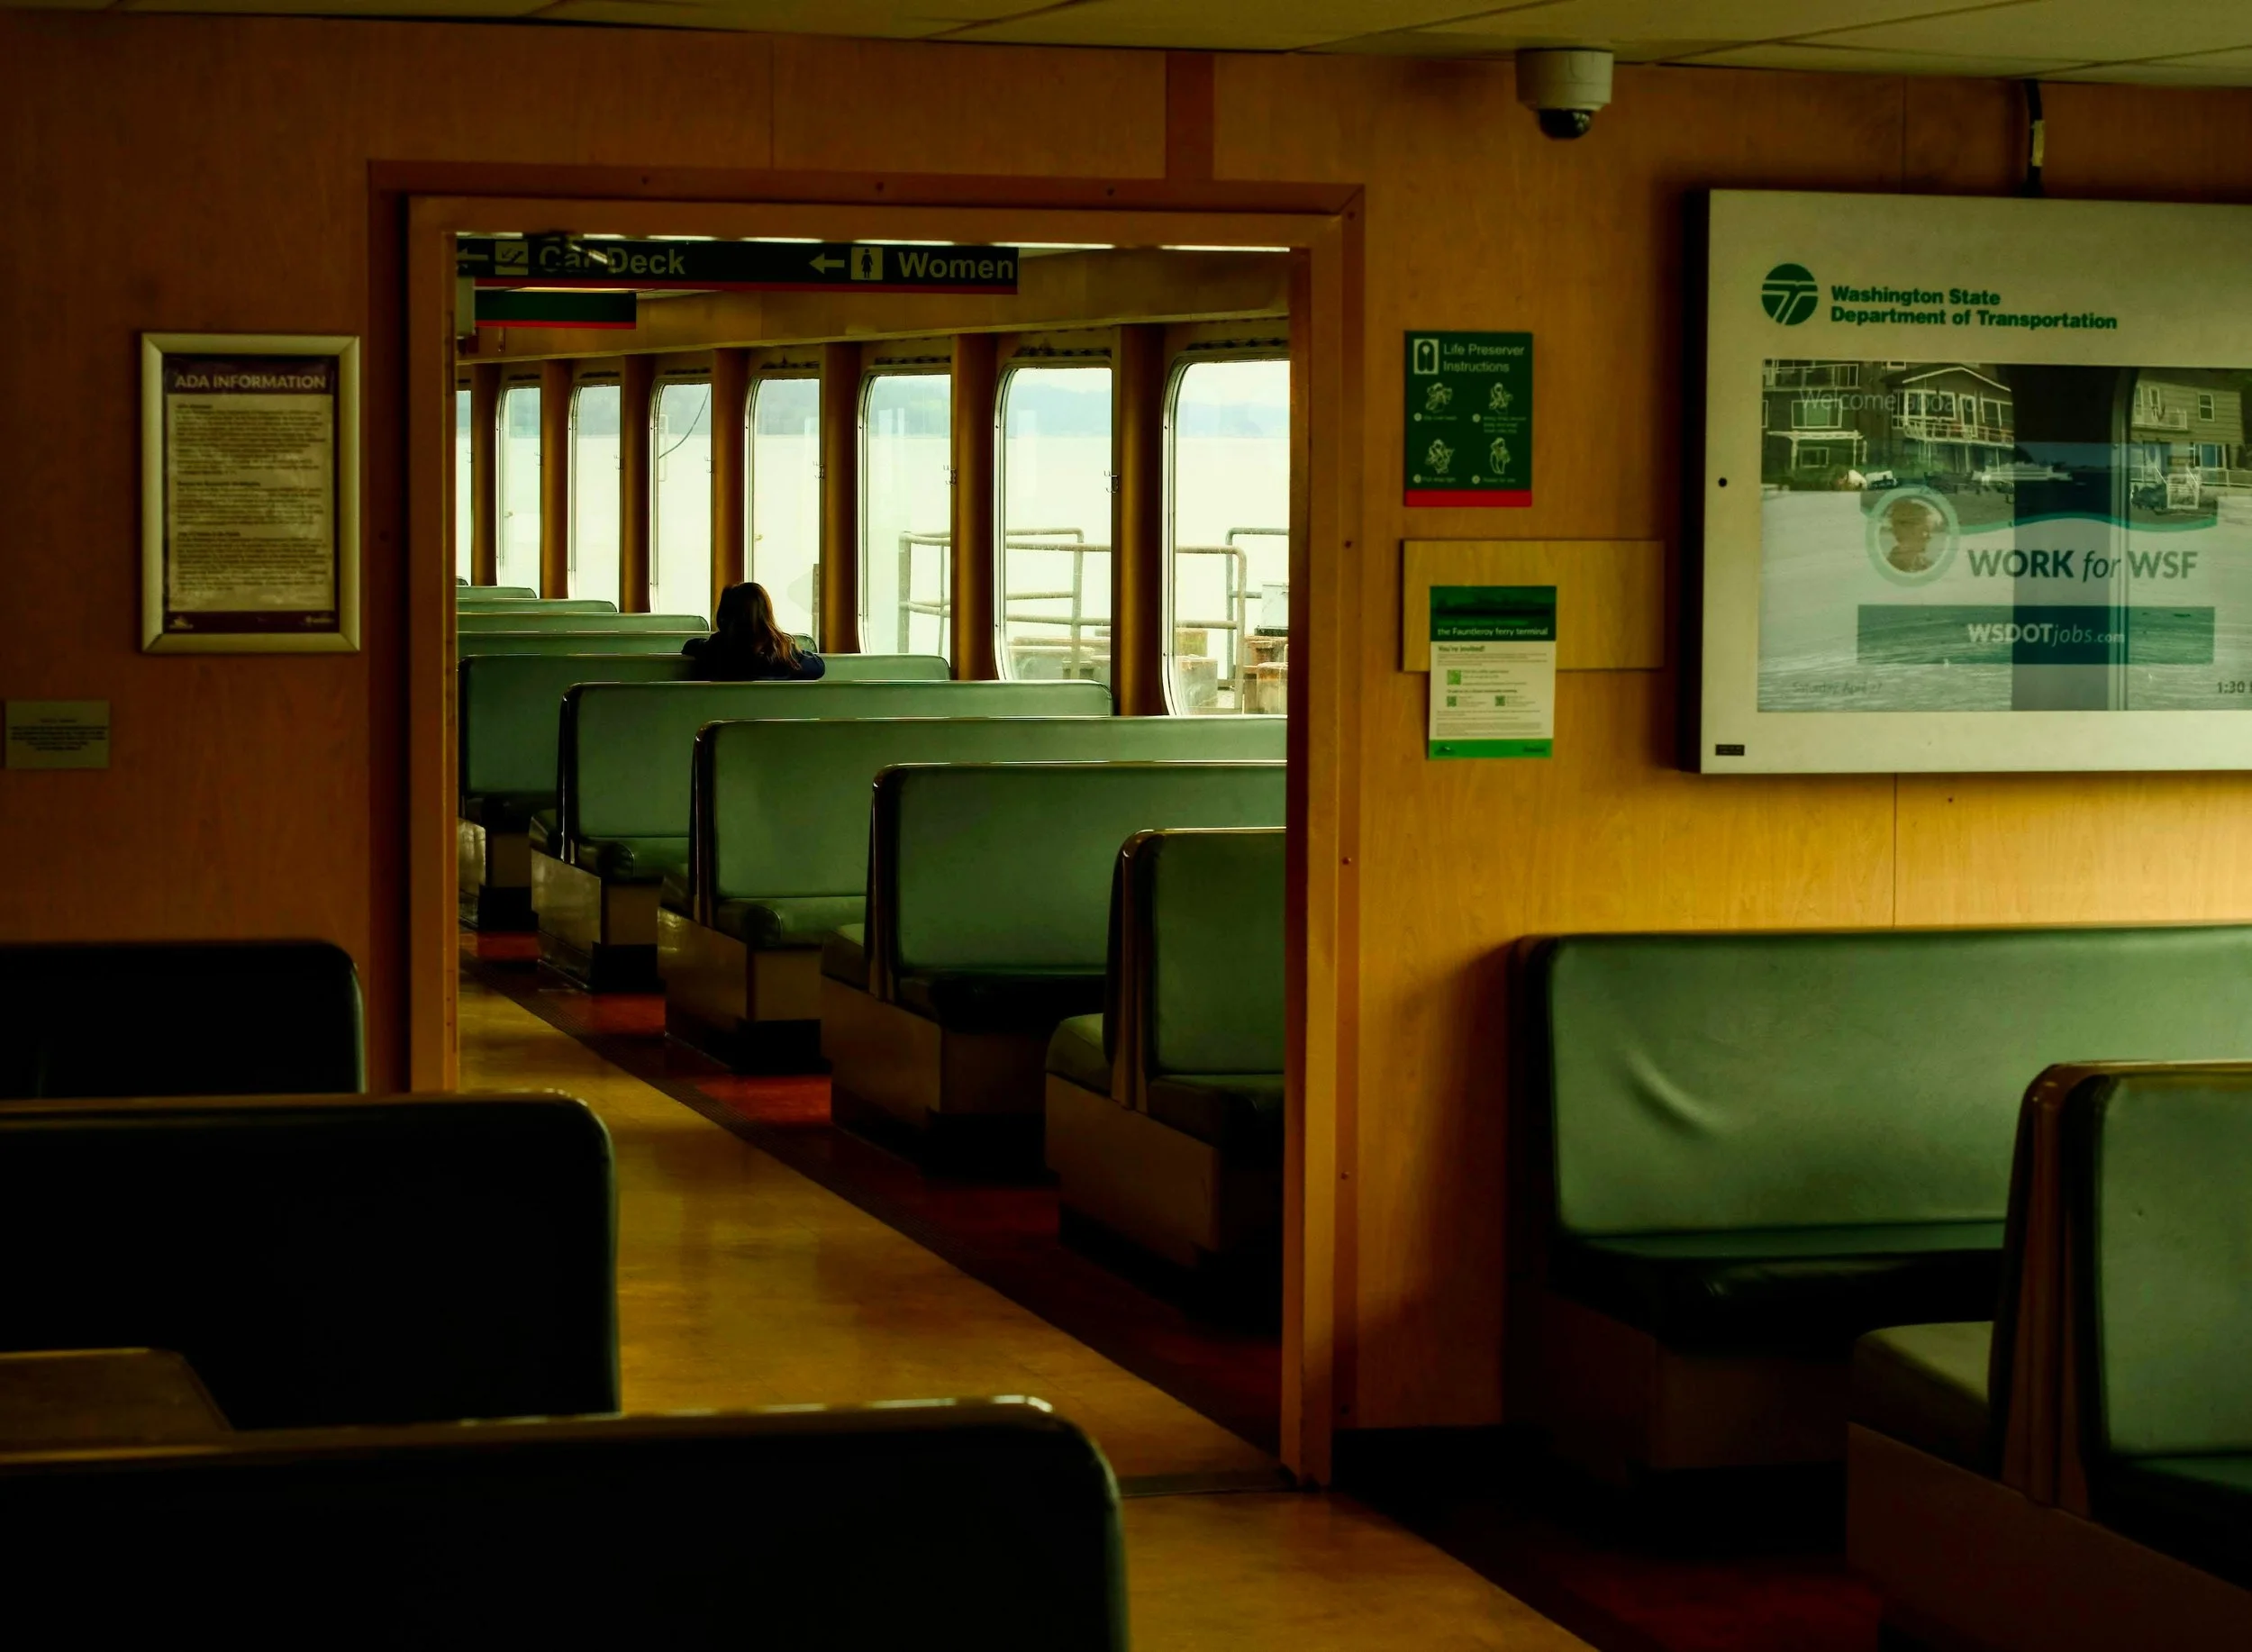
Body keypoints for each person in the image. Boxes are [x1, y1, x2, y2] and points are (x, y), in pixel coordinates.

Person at [683, 582, 825, 681]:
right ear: (766, 615)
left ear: (725, 615)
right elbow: (818, 666)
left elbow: (691, 646)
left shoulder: (715, 650)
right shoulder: (783, 654)